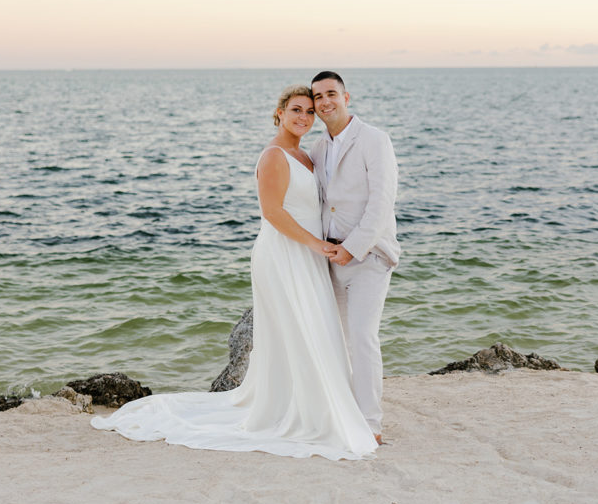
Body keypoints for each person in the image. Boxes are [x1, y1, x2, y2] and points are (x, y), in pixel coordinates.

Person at [91, 85, 377, 460]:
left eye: (309, 112)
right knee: (298, 329)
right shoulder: (275, 155)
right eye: (296, 110)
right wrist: (315, 244)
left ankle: (315, 404)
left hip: (307, 253)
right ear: (279, 113)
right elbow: (273, 213)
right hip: (285, 253)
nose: (304, 117)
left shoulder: (305, 155)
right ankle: (301, 411)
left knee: (313, 329)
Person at [309, 71, 400, 445]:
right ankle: (342, 412)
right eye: (318, 97)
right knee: (337, 340)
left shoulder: (374, 140)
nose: (325, 101)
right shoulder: (316, 148)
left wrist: (353, 247)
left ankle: (370, 423)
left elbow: (382, 202)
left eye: (331, 93)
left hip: (368, 256)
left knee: (363, 337)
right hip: (328, 257)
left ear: (348, 97)